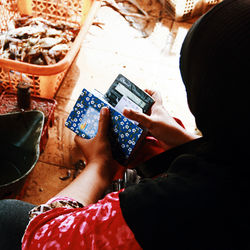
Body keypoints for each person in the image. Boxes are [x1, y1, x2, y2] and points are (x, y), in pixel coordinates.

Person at [1, 0, 250, 249]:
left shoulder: (167, 205)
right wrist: (186, 142)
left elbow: (41, 240)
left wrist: (98, 167)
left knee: (6, 216)